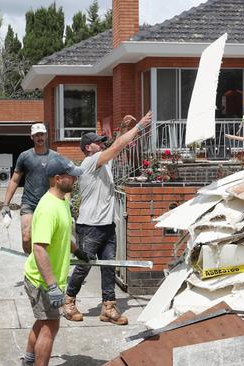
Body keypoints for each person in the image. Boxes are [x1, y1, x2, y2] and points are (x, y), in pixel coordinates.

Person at [63, 111, 152, 326]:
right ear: (88, 148)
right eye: (97, 143)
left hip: (106, 225)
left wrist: (122, 128)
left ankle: (109, 308)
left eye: (102, 143)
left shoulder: (103, 162)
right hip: (89, 226)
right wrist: (139, 127)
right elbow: (116, 147)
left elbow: (114, 146)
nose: (101, 145)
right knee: (84, 265)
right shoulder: (90, 163)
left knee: (109, 266)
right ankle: (68, 301)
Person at [21, 155, 85, 366]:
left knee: (43, 322)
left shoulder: (62, 201)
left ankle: (28, 361)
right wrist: (52, 286)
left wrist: (78, 251)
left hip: (46, 279)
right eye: (71, 177)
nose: (75, 180)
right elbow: (38, 248)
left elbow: (63, 235)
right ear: (58, 179)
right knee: (50, 327)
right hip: (42, 281)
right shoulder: (49, 208)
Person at [2, 123, 62, 254]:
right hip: (29, 202)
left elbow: (61, 182)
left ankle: (43, 263)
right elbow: (14, 179)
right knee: (26, 237)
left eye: (42, 134)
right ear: (31, 137)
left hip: (49, 203)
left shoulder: (55, 157)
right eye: (36, 135)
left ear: (46, 135)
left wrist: (66, 203)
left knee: (48, 239)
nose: (39, 137)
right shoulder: (25, 156)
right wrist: (6, 204)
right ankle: (30, 262)